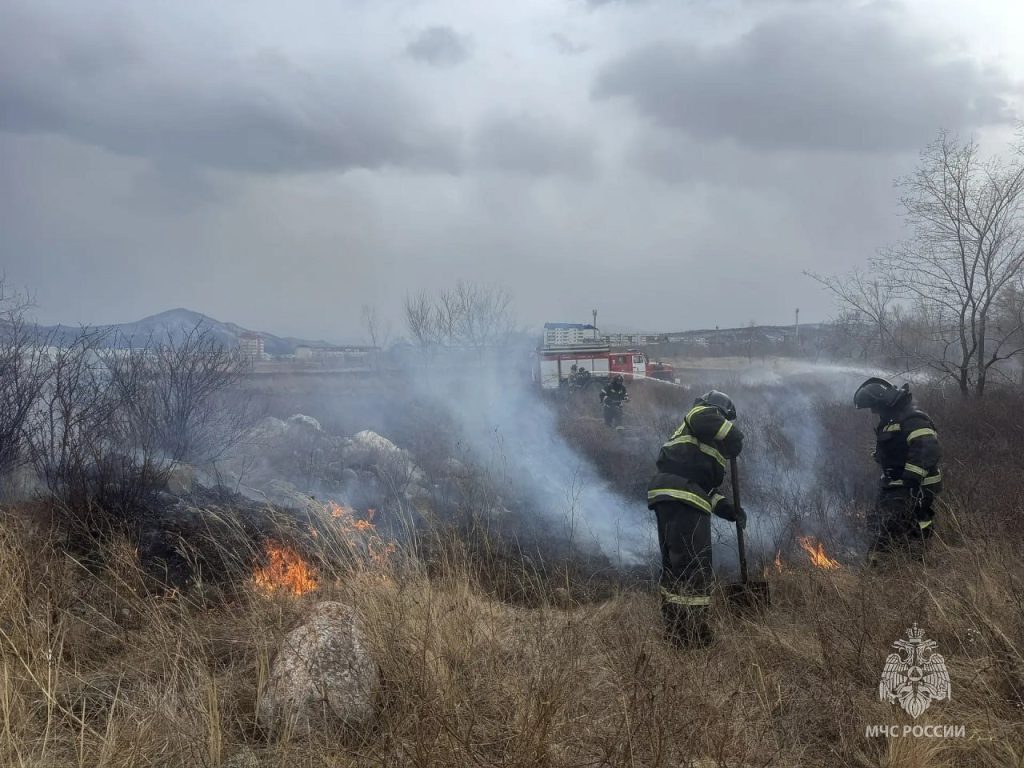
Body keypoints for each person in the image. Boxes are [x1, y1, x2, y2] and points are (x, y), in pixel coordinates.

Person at [647, 390, 745, 646]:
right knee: (694, 567)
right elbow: (704, 417)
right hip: (683, 496)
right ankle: (691, 634)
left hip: (670, 494)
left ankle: (674, 628)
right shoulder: (702, 414)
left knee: (676, 566)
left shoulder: (696, 447)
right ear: (720, 412)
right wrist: (735, 436)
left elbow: (706, 490)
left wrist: (729, 510)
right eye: (725, 421)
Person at [854, 377, 942, 563]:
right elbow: (897, 445)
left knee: (905, 520)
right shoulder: (892, 418)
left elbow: (926, 449)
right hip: (897, 482)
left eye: (874, 406)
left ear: (883, 401)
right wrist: (884, 458)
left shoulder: (913, 419)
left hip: (917, 484)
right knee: (887, 519)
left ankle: (898, 561)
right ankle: (901, 558)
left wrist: (910, 481)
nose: (873, 411)